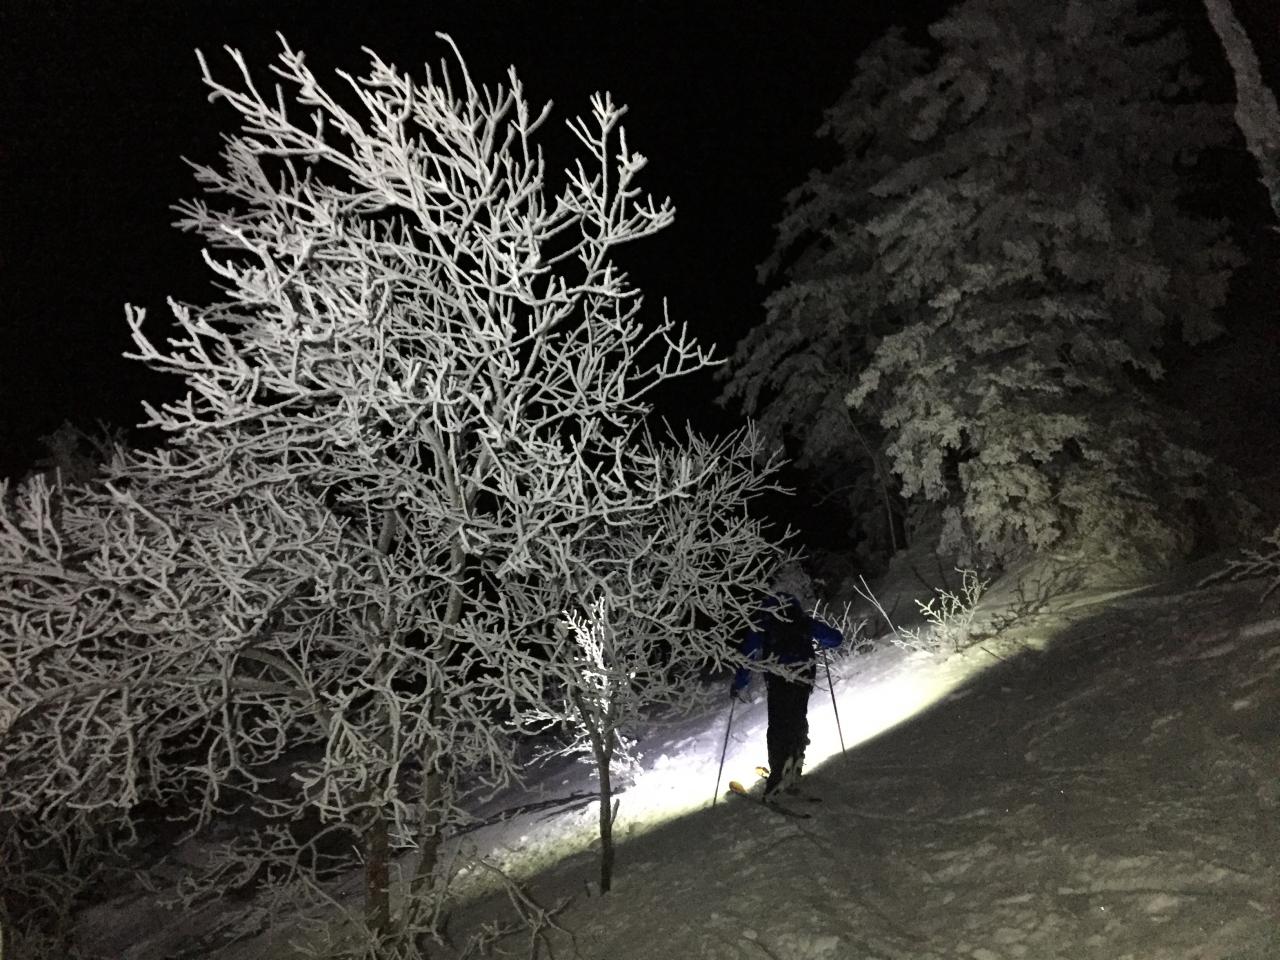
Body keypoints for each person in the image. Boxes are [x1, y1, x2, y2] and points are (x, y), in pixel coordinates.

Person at [729, 592, 843, 800]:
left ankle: (778, 776)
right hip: (804, 676)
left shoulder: (765, 623)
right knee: (797, 717)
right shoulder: (801, 621)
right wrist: (822, 642)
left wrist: (739, 683)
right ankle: (795, 760)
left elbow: (747, 654)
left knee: (779, 725)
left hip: (779, 678)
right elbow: (836, 639)